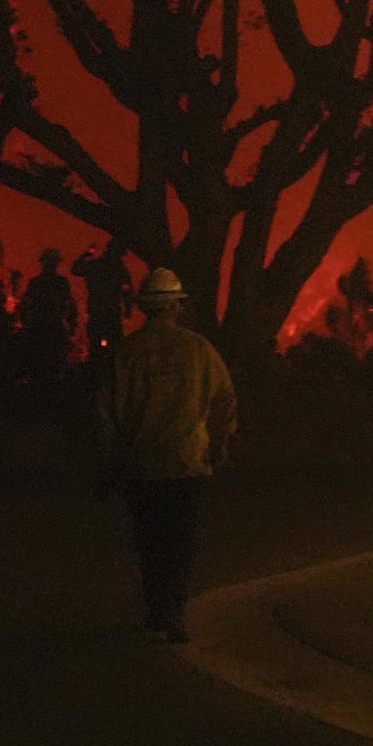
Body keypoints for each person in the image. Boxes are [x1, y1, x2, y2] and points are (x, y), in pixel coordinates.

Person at [97, 268, 238, 643]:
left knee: (149, 542)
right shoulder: (199, 350)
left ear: (145, 308)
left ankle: (155, 610)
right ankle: (172, 612)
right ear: (176, 306)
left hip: (142, 467)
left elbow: (107, 412)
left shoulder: (127, 353)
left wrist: (112, 460)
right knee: (181, 542)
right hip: (188, 464)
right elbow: (225, 400)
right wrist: (220, 442)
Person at [18, 248, 77, 385]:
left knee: (37, 364)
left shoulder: (36, 283)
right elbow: (70, 305)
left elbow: (26, 305)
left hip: (39, 327)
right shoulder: (61, 283)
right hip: (52, 328)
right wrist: (71, 325)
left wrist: (25, 322)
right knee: (54, 365)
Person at [77, 245, 134, 364]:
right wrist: (128, 311)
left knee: (96, 347)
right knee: (115, 349)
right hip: (111, 314)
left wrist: (87, 254)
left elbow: (77, 269)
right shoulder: (120, 269)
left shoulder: (96, 265)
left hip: (96, 312)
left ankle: (96, 372)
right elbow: (127, 292)